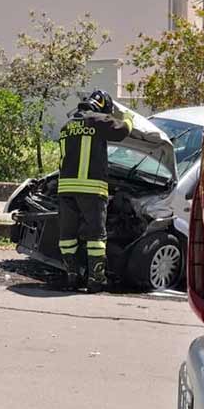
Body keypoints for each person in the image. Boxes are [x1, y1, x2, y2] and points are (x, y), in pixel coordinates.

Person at [57, 90, 133, 293]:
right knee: (96, 237)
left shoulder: (67, 125)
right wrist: (128, 118)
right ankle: (95, 281)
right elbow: (122, 131)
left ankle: (72, 277)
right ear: (102, 107)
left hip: (65, 189)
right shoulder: (98, 120)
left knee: (68, 236)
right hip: (91, 189)